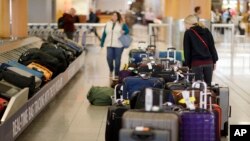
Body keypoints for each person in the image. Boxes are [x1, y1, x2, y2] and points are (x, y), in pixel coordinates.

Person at [183, 15, 218, 86]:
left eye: (185, 24)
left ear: (188, 23)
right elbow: (212, 47)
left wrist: (188, 65)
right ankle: (208, 97)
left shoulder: (188, 33)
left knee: (198, 87)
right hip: (209, 62)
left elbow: (187, 51)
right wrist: (214, 61)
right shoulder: (206, 30)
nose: (185, 26)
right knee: (208, 86)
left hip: (196, 63)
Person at [100, 11, 129, 79]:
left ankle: (116, 74)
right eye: (113, 15)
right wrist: (102, 43)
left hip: (119, 45)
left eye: (115, 15)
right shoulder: (108, 24)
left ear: (118, 17)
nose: (114, 17)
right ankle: (111, 69)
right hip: (109, 44)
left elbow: (127, 31)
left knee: (117, 60)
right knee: (109, 58)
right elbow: (104, 34)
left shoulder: (122, 24)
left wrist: (124, 31)